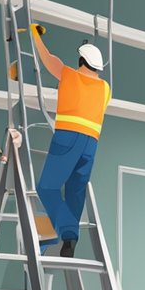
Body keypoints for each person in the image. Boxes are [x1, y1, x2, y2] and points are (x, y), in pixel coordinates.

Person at [29, 24, 111, 258]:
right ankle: (68, 243)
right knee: (75, 190)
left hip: (68, 136)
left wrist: (35, 35)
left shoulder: (68, 74)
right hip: (91, 144)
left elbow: (47, 58)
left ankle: (68, 233)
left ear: (81, 61)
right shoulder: (106, 88)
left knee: (47, 187)